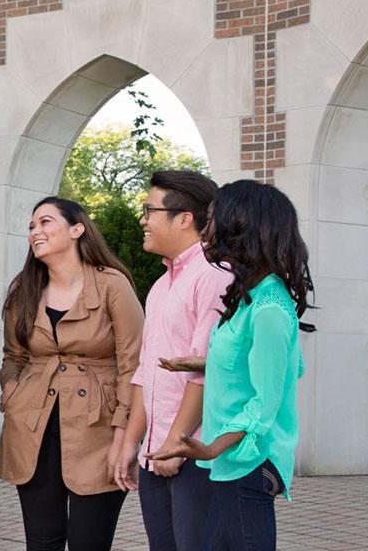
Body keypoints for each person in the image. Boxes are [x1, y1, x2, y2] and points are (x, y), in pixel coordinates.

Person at [147, 179, 312, 551]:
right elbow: (285, 364)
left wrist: (210, 448)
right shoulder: (253, 296)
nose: (208, 228)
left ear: (241, 224)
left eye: (214, 218)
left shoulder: (269, 306)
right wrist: (212, 363)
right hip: (235, 463)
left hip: (251, 463)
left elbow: (264, 403)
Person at [0, 196, 144, 551]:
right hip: (33, 429)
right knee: (41, 542)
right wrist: (11, 393)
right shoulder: (23, 290)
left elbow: (133, 365)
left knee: (89, 543)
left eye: (45, 222)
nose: (36, 231)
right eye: (32, 226)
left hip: (100, 431)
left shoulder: (112, 285)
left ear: (77, 229)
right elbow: (13, 356)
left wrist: (125, 437)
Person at [112, 171, 233, 551]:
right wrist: (132, 442)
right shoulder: (162, 285)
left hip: (194, 455)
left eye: (149, 210)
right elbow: (146, 371)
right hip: (157, 453)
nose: (143, 220)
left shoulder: (215, 276)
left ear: (184, 219)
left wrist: (176, 443)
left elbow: (204, 369)